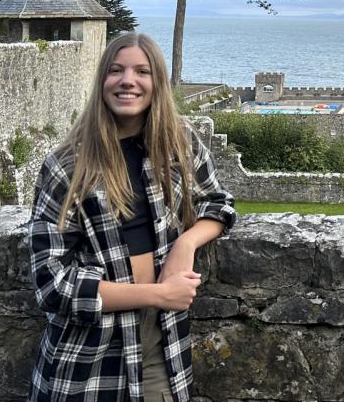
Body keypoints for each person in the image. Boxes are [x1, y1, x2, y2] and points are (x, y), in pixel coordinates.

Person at [27, 32, 236, 402]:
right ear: (102, 81)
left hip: (162, 345)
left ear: (157, 82)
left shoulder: (179, 142)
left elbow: (217, 203)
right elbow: (51, 283)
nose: (128, 80)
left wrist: (186, 243)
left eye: (142, 71)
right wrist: (158, 294)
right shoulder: (67, 167)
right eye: (116, 70)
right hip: (88, 355)